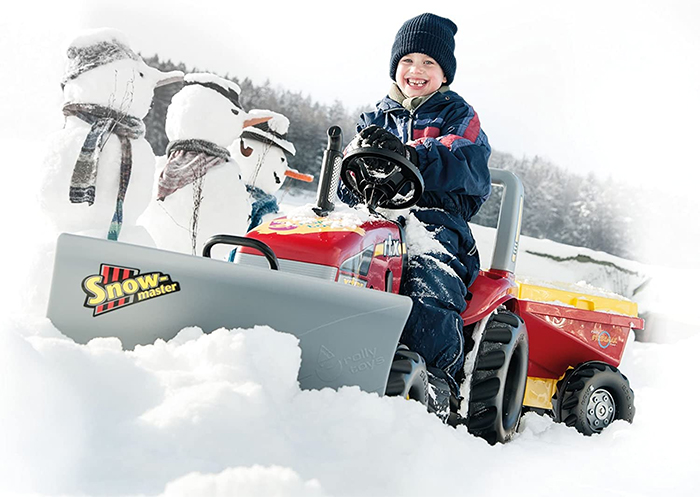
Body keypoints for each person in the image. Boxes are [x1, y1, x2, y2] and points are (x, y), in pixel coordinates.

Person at [339, 13, 492, 418]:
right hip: (374, 218)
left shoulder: (459, 115)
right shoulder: (375, 118)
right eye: (407, 61)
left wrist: (412, 155)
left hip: (437, 223)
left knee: (427, 270)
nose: (416, 70)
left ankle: (436, 378)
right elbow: (345, 177)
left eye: (428, 63)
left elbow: (466, 160)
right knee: (331, 251)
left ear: (445, 73)